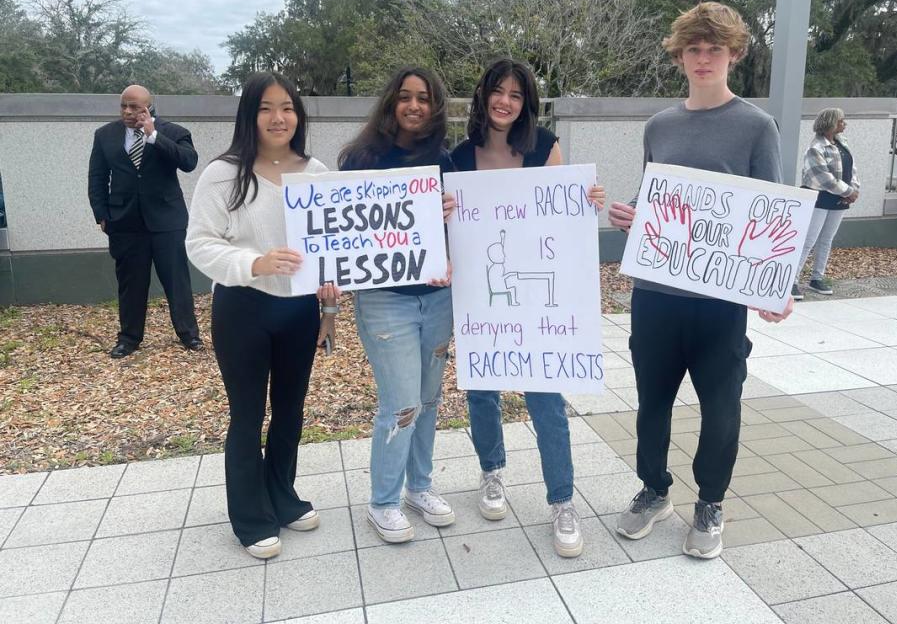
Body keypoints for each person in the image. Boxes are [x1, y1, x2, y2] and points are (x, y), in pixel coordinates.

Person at [607, 2, 793, 559]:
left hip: (721, 302)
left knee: (721, 406)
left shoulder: (758, 127)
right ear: (680, 56)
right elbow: (656, 199)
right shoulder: (659, 126)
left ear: (734, 54)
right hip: (656, 297)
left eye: (715, 49)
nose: (704, 58)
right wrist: (634, 216)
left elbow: (770, 216)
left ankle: (710, 501)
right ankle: (654, 489)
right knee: (651, 403)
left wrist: (775, 285)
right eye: (694, 49)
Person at [450, 58, 605, 558]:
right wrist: (442, 212)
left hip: (539, 300)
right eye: (498, 91)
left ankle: (562, 500)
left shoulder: (544, 146)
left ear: (526, 104)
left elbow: (561, 217)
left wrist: (587, 201)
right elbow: (446, 231)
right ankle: (492, 471)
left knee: (546, 400)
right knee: (482, 391)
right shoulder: (458, 157)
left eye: (516, 95)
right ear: (483, 95)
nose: (505, 102)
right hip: (482, 293)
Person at [185, 72, 339, 559]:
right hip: (243, 307)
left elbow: (333, 249)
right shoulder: (223, 173)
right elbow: (199, 243)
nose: (279, 118)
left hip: (299, 311)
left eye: (288, 107)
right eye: (267, 108)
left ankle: (283, 496)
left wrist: (330, 307)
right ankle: (250, 517)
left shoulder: (316, 172)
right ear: (249, 115)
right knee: (248, 416)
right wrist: (253, 262)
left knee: (291, 412)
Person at [338, 66, 458, 544]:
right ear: (391, 103)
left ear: (435, 106)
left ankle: (419, 487)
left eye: (424, 98)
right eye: (405, 97)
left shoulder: (448, 162)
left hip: (439, 299)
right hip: (386, 302)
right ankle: (383, 501)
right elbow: (345, 233)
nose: (414, 106)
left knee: (429, 400)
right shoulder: (361, 159)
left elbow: (470, 227)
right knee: (402, 403)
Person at [87, 85, 202, 358]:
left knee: (177, 281)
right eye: (124, 106)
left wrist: (153, 136)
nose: (128, 112)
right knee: (131, 284)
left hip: (167, 222)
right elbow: (97, 178)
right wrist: (102, 214)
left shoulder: (173, 133)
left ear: (149, 107)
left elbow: (189, 162)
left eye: (135, 107)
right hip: (125, 223)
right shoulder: (105, 135)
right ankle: (129, 338)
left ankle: (189, 336)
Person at [791, 108, 860, 300]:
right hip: (819, 198)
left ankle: (817, 277)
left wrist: (853, 189)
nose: (844, 124)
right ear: (830, 123)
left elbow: (852, 169)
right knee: (808, 240)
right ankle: (792, 281)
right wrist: (848, 191)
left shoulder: (841, 143)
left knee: (826, 239)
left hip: (840, 198)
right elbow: (823, 177)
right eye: (841, 121)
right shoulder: (816, 148)